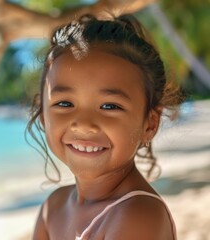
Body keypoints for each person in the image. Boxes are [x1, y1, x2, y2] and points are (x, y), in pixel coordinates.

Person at [26, 12, 185, 240]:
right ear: (43, 115)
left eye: (110, 106)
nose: (83, 124)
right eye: (64, 103)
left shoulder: (137, 217)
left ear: (149, 123)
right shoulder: (54, 206)